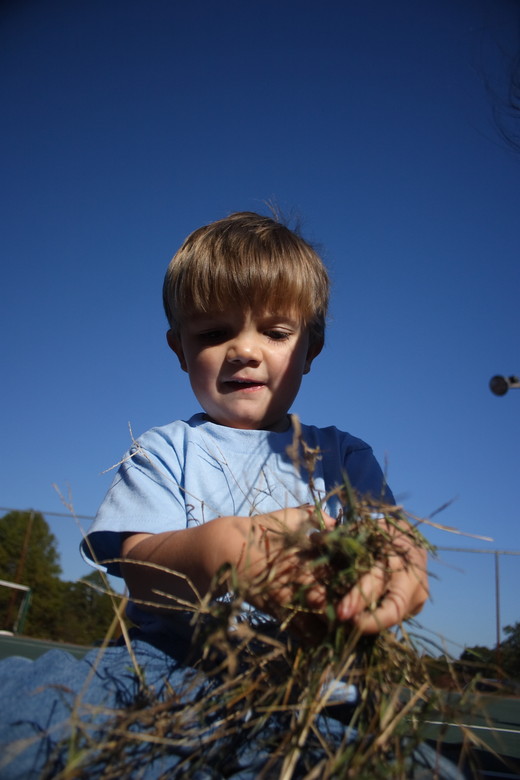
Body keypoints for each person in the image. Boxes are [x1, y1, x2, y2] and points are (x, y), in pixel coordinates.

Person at [0, 212, 449, 780]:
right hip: (154, 672)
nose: (244, 350)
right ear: (180, 349)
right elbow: (137, 566)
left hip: (306, 692)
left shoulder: (345, 458)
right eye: (213, 333)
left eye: (276, 333)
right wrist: (219, 553)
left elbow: (389, 536)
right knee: (26, 711)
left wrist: (403, 560)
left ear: (311, 348)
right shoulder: (164, 449)